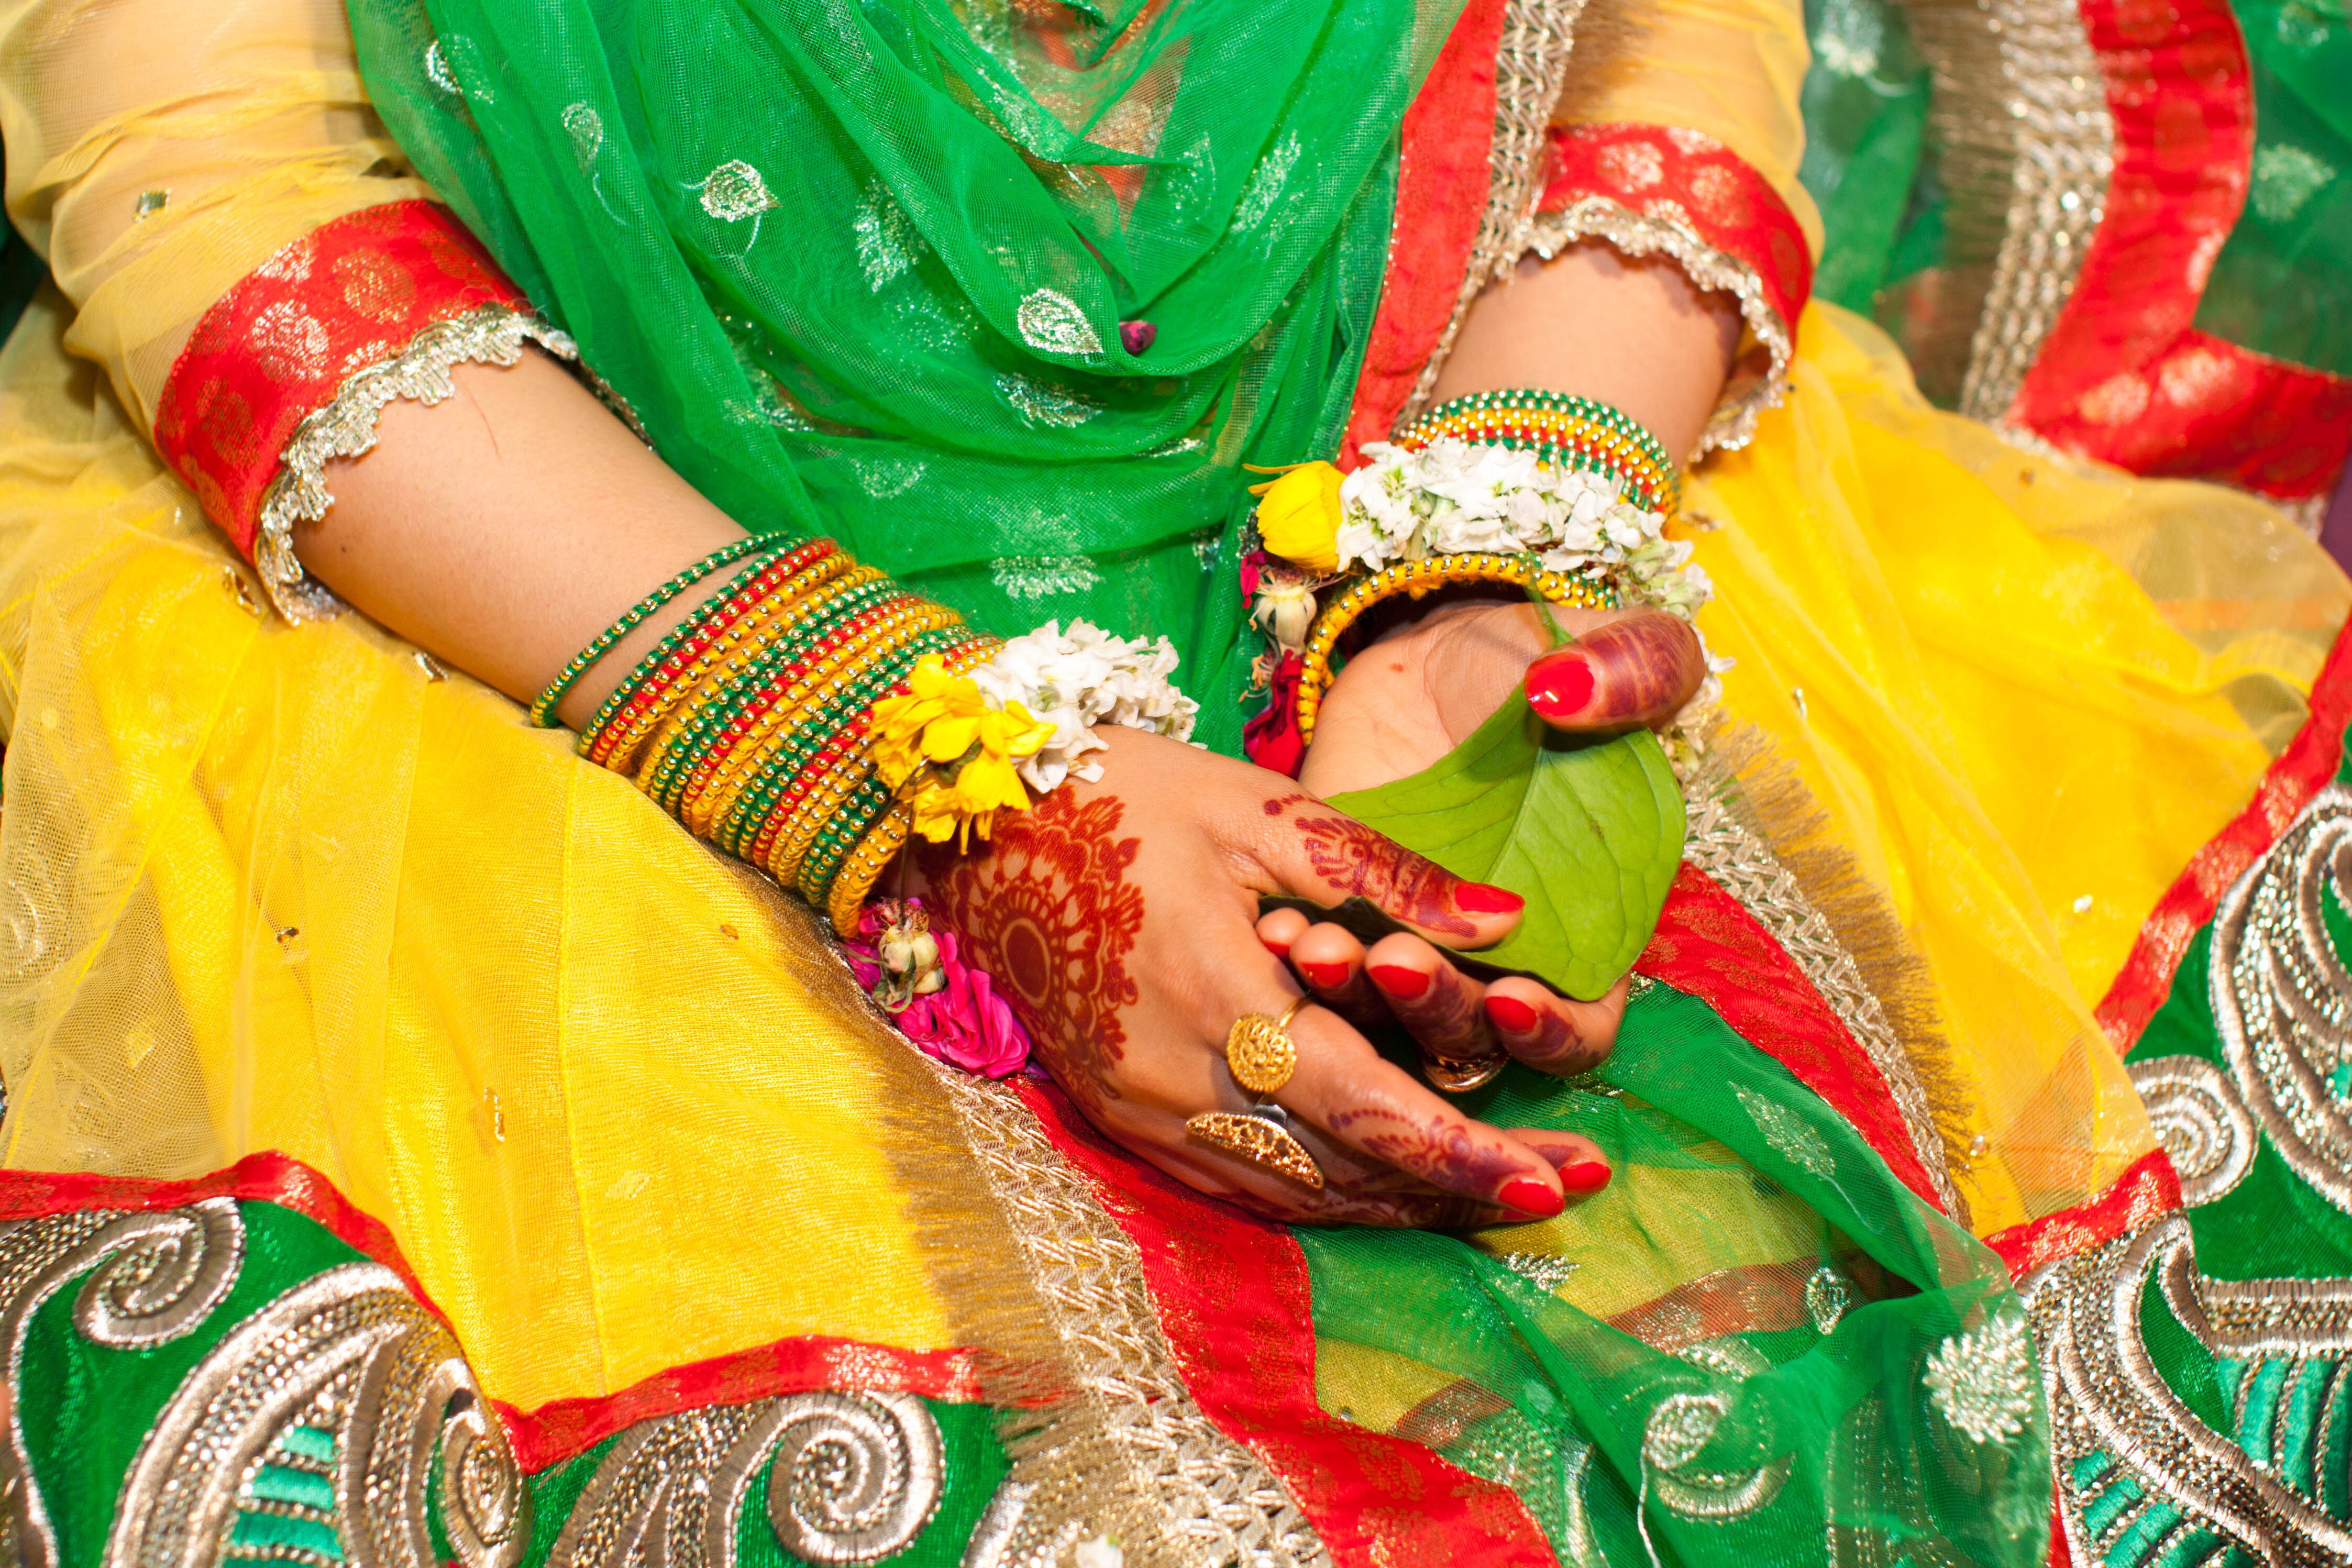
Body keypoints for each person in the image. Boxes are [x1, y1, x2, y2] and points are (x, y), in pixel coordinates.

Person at [0, 0, 2345, 1562]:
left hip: (1468, 405)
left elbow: (1654, 56)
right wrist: (914, 773)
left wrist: (1489, 551)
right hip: (532, 566)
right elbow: (206, 173)